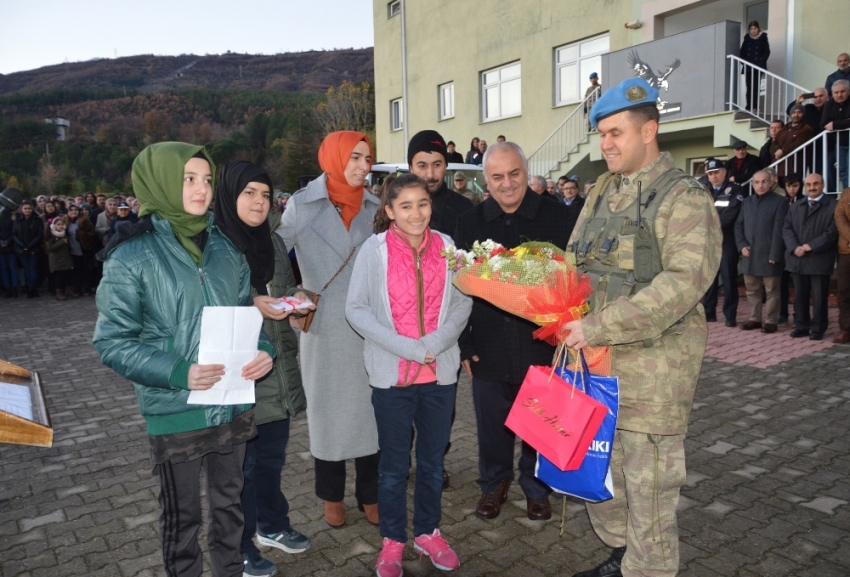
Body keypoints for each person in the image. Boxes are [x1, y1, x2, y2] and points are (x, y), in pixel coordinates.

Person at [92, 142, 274, 577]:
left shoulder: (227, 250)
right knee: (182, 520)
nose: (201, 189)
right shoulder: (131, 256)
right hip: (175, 410)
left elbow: (248, 319)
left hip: (231, 405)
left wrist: (262, 352)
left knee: (231, 512)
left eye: (207, 179)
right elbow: (113, 342)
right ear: (159, 183)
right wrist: (178, 372)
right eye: (188, 179)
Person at [563, 77, 722, 577]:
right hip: (594, 366)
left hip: (654, 372)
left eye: (615, 133)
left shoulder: (684, 198)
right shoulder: (601, 191)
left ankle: (647, 568)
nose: (605, 144)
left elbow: (683, 283)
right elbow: (573, 260)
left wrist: (598, 326)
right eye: (601, 134)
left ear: (649, 129)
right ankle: (620, 557)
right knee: (599, 478)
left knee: (648, 490)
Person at [346, 173, 472, 577]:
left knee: (433, 464)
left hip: (439, 377)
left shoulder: (449, 247)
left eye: (422, 203)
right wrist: (410, 349)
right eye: (405, 206)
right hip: (392, 378)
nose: (416, 213)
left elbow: (462, 303)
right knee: (394, 466)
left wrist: (433, 345)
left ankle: (428, 533)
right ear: (389, 211)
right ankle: (393, 540)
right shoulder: (374, 250)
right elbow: (357, 310)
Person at [455, 142, 570, 523]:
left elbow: (573, 282)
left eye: (515, 174)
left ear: (526, 170)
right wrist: (464, 345)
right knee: (492, 427)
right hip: (487, 347)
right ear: (486, 180)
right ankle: (494, 483)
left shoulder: (557, 218)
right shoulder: (469, 224)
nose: (507, 184)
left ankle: (537, 488)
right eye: (497, 177)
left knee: (540, 424)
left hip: (542, 346)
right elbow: (456, 292)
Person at [213, 160, 313, 577]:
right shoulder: (213, 244)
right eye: (248, 192)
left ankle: (272, 526)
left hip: (279, 366)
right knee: (243, 469)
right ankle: (240, 546)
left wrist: (298, 298)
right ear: (229, 195)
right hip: (241, 368)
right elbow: (209, 307)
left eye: (265, 194)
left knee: (271, 459)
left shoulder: (270, 241)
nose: (259, 201)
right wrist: (251, 304)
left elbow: (285, 288)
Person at [278, 131, 380, 528]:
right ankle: (331, 495)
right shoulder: (302, 205)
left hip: (369, 325)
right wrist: (290, 295)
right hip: (322, 327)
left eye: (367, 159)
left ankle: (369, 495)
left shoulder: (376, 206)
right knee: (327, 413)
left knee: (371, 412)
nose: (362, 166)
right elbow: (272, 250)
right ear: (334, 157)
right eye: (354, 157)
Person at [783, 173, 838, 340]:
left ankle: (818, 328)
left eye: (816, 184)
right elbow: (786, 229)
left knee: (820, 296)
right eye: (808, 185)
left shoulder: (833, 205)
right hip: (798, 258)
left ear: (823, 184)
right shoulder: (795, 206)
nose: (812, 187)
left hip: (819, 258)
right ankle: (801, 325)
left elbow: (833, 232)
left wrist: (811, 246)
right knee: (800, 295)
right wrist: (794, 247)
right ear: (804, 187)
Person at [735, 170, 788, 333]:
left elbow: (780, 231)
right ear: (752, 184)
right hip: (749, 255)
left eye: (764, 181)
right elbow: (738, 226)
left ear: (771, 182)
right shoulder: (747, 202)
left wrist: (775, 254)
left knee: (772, 291)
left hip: (769, 255)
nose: (760, 185)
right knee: (752, 290)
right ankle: (754, 318)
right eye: (757, 182)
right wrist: (742, 245)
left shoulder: (780, 202)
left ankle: (771, 321)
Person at [701, 158, 746, 326]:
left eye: (716, 172)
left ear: (724, 172)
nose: (714, 177)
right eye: (710, 174)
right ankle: (709, 313)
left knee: (728, 280)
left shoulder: (735, 190)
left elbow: (731, 213)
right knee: (710, 280)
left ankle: (730, 316)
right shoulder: (703, 191)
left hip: (727, 240)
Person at [407, 130, 473, 236]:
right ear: (411, 168)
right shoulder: (397, 209)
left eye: (437, 165)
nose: (430, 175)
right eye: (422, 166)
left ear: (446, 166)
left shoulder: (464, 209)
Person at [779, 173, 805, 323]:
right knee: (782, 283)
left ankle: (798, 315)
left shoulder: (804, 201)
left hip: (797, 246)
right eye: (789, 186)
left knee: (799, 285)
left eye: (795, 185)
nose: (792, 189)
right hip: (782, 248)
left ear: (800, 185)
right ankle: (783, 313)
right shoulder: (781, 202)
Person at [822, 79, 850, 191]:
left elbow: (831, 124)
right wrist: (846, 121)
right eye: (836, 92)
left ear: (849, 91)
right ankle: (847, 195)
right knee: (842, 170)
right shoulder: (829, 104)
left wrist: (835, 123)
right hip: (840, 143)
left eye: (843, 91)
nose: (839, 95)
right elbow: (824, 124)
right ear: (832, 94)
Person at [771, 104, 815, 176]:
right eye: (794, 112)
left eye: (799, 112)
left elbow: (798, 144)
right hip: (779, 167)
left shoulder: (806, 129)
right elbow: (774, 143)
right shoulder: (785, 127)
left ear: (803, 114)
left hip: (794, 168)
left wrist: (782, 151)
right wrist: (777, 150)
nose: (796, 115)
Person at [12, 199, 43, 298]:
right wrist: (22, 245)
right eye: (25, 208)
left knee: (33, 269)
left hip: (34, 248)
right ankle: (32, 288)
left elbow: (40, 234)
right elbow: (14, 234)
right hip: (21, 249)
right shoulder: (17, 220)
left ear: (32, 209)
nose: (27, 210)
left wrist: (29, 246)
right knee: (26, 269)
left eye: (29, 208)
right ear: (21, 209)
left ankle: (31, 288)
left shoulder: (37, 219)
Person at [739, 21, 770, 113]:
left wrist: (761, 62)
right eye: (751, 29)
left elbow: (766, 51)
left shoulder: (763, 38)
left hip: (758, 67)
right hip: (749, 68)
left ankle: (755, 106)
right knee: (749, 87)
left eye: (755, 28)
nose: (753, 31)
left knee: (756, 87)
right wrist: (745, 63)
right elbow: (742, 53)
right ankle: (749, 106)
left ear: (758, 28)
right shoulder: (747, 39)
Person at [67, 204, 95, 297]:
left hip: (84, 249)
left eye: (75, 210)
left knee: (85, 270)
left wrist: (80, 234)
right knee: (75, 271)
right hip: (71, 249)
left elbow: (91, 234)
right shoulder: (66, 221)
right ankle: (76, 289)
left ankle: (86, 289)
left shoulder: (85, 221)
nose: (74, 212)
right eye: (71, 210)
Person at [44, 215, 74, 300]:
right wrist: (61, 242)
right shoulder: (51, 236)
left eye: (62, 224)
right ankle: (59, 293)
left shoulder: (65, 234)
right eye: (58, 224)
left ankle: (69, 290)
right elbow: (50, 248)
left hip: (66, 259)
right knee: (59, 278)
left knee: (68, 276)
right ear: (54, 226)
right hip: (57, 261)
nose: (60, 226)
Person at [834, 185, 850, 343]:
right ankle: (846, 328)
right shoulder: (846, 193)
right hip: (846, 251)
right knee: (844, 291)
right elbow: (840, 216)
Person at [0, 198, 17, 298]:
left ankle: (14, 288)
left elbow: (14, 231)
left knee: (13, 268)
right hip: (1, 248)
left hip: (11, 246)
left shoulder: (11, 216)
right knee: (4, 269)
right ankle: (7, 288)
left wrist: (8, 241)